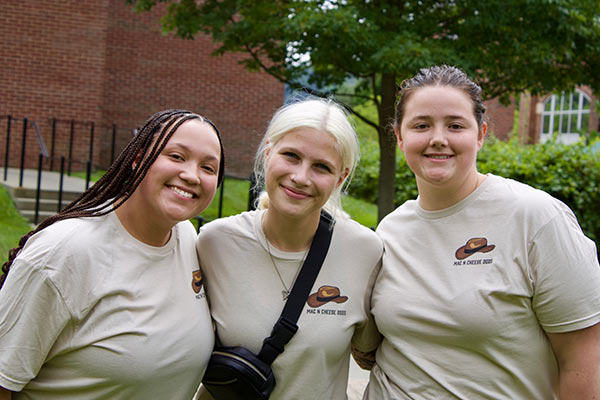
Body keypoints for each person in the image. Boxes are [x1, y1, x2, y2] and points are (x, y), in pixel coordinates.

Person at [364, 65, 600, 399]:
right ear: (400, 137)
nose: (438, 139)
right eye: (421, 125)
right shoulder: (390, 230)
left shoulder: (536, 218)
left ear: (481, 134)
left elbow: (582, 358)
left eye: (455, 125)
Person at [0, 109, 225, 400]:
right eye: (176, 156)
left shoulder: (186, 236)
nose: (191, 175)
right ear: (137, 158)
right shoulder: (62, 252)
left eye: (208, 168)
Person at [196, 98, 383, 399]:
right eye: (291, 156)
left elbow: (373, 353)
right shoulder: (214, 242)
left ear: (341, 177)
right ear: (269, 152)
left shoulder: (364, 251)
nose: (301, 177)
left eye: (321, 167)